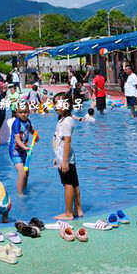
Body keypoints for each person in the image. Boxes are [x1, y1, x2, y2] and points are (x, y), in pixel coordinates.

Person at [53, 93, 82, 221]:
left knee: (68, 184)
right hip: (65, 157)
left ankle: (68, 213)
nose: (55, 106)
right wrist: (57, 156)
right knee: (74, 184)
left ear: (67, 105)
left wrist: (64, 161)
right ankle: (78, 209)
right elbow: (60, 141)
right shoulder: (63, 120)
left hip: (66, 159)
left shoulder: (66, 121)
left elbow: (67, 141)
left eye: (58, 103)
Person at [6, 101, 34, 195]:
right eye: (21, 112)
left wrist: (36, 136)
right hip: (15, 150)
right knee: (21, 173)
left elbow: (31, 131)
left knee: (26, 172)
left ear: (29, 111)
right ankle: (20, 194)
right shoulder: (16, 123)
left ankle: (24, 189)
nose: (23, 114)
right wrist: (25, 148)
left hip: (23, 149)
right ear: (16, 113)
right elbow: (17, 140)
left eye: (25, 112)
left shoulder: (28, 121)